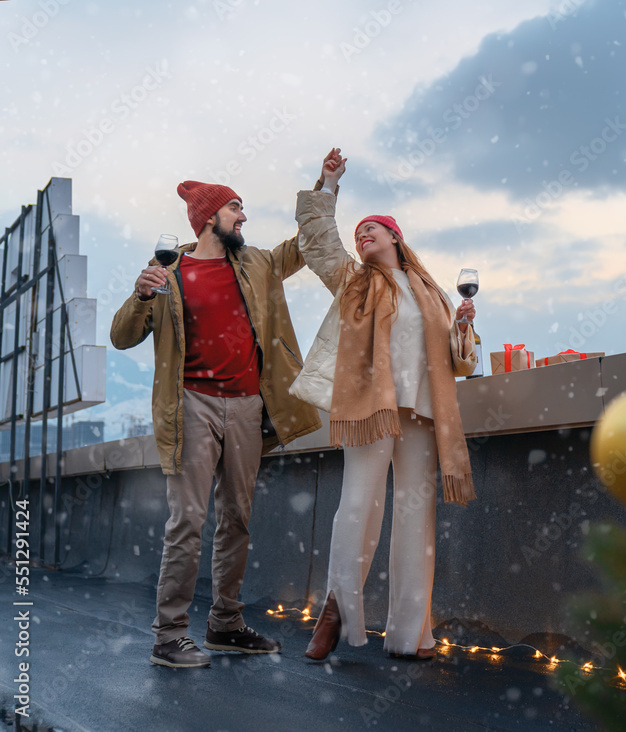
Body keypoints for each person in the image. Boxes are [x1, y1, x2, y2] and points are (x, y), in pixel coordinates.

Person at [110, 180, 322, 668]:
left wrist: (323, 188)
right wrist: (142, 295)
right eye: (235, 209)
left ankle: (226, 624)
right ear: (208, 218)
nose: (243, 218)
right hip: (192, 405)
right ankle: (169, 635)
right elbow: (122, 337)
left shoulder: (256, 264)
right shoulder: (169, 272)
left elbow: (307, 245)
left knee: (237, 519)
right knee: (188, 520)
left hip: (248, 406)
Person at [290, 147, 477, 661]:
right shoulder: (354, 281)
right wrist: (327, 183)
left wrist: (463, 327)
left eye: (371, 229)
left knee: (415, 518)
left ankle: (410, 634)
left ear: (395, 237)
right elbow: (317, 242)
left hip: (421, 413)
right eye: (358, 233)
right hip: (370, 406)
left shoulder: (432, 293)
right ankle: (335, 612)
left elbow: (460, 363)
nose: (361, 235)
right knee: (358, 506)